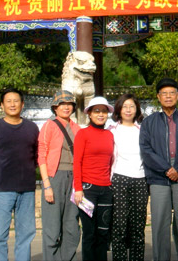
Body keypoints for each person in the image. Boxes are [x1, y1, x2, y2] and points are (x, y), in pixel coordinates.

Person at [140, 78, 178, 261]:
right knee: (159, 223)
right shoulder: (149, 122)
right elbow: (146, 150)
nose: (168, 96)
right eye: (164, 93)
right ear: (158, 97)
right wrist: (167, 169)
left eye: (171, 93)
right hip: (159, 177)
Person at [0, 88, 39, 261]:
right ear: (2, 105)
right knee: (0, 234)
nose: (13, 104)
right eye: (8, 101)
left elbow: (37, 156)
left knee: (26, 234)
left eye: (16, 101)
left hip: (26, 189)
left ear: (22, 104)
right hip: (1, 190)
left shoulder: (32, 128)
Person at [37, 89, 81, 261]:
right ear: (55, 107)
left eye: (69, 104)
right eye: (62, 104)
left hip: (74, 178)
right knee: (52, 227)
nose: (66, 107)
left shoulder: (77, 128)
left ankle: (68, 257)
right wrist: (46, 184)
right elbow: (42, 155)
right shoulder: (49, 125)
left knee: (71, 226)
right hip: (54, 178)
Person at [73, 96, 115, 261]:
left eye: (104, 111)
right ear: (89, 114)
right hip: (87, 190)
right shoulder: (83, 134)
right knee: (89, 233)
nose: (100, 114)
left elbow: (111, 162)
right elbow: (77, 162)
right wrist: (78, 188)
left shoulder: (109, 135)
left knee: (103, 233)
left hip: (106, 190)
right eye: (96, 111)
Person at [109, 93, 148, 261]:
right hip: (119, 179)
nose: (128, 110)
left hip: (140, 180)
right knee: (119, 226)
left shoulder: (143, 130)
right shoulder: (111, 130)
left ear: (137, 109)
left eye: (132, 106)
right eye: (125, 106)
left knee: (138, 227)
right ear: (119, 109)